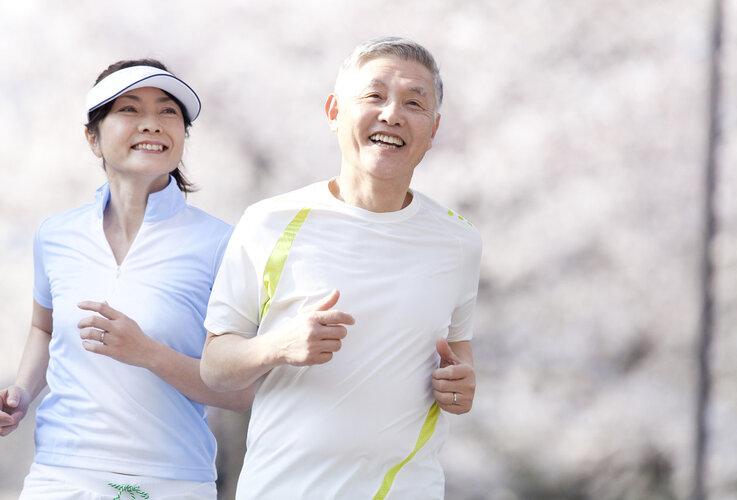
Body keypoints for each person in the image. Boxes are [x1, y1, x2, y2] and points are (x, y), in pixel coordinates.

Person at [200, 36, 482, 499]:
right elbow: (215, 367)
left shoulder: (459, 241)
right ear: (334, 111)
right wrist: (278, 346)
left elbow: (456, 345)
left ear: (433, 130)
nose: (392, 114)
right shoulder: (270, 222)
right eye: (374, 96)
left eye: (414, 103)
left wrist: (462, 381)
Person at [0, 59, 252, 500]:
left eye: (168, 111)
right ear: (92, 137)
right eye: (130, 109)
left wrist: (147, 353)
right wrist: (20, 393)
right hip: (61, 476)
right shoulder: (55, 234)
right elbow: (45, 327)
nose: (152, 123)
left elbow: (242, 392)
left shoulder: (223, 244)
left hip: (172, 481)